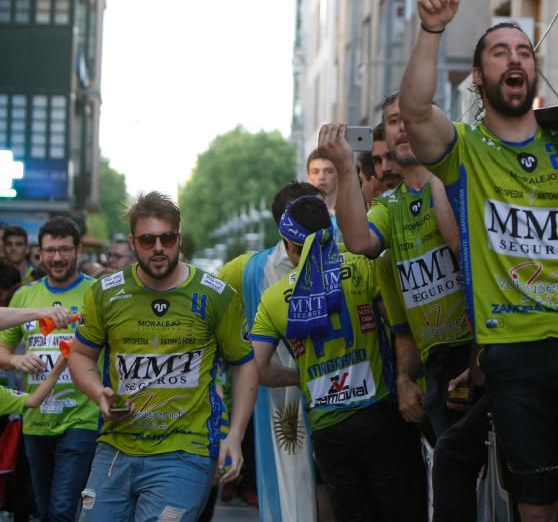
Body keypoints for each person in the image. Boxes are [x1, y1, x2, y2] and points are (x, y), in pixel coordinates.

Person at [398, 0, 558, 522]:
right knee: (536, 502)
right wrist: (432, 32)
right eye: (500, 52)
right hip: (513, 353)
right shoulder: (467, 149)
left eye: (523, 51)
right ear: (479, 76)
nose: (515, 59)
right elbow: (414, 112)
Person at [69, 191, 258, 521]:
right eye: (148, 240)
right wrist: (99, 392)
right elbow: (81, 356)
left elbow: (244, 366)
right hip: (116, 446)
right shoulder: (105, 293)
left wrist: (235, 435)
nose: (158, 247)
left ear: (179, 238)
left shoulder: (214, 296)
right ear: (133, 242)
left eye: (167, 238)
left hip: (185, 451)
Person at [250, 194, 426, 521]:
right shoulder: (364, 266)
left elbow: (258, 369)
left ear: (289, 245)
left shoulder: (273, 299)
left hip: (328, 431)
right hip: (381, 417)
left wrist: (300, 376)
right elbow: (403, 329)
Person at [323, 92, 469, 444]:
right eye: (392, 121)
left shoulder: (461, 164)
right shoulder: (390, 205)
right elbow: (358, 242)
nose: (403, 127)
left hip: (483, 346)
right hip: (438, 366)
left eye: (411, 117)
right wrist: (344, 168)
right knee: (454, 480)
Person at [216, 182, 324, 521]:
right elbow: (206, 308)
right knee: (288, 490)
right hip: (276, 399)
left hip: (333, 399)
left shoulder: (346, 261)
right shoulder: (247, 270)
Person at [0, 216, 98, 522]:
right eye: (50, 250)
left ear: (78, 250)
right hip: (36, 417)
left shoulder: (99, 294)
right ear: (39, 252)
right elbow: (3, 349)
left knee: (60, 511)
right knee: (43, 510)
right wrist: (16, 360)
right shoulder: (24, 296)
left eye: (65, 250)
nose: (57, 257)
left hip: (81, 418)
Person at [307, 147, 340, 216]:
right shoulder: (301, 215)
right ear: (309, 178)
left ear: (338, 176)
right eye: (315, 172)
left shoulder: (351, 213)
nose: (321, 177)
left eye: (329, 171)